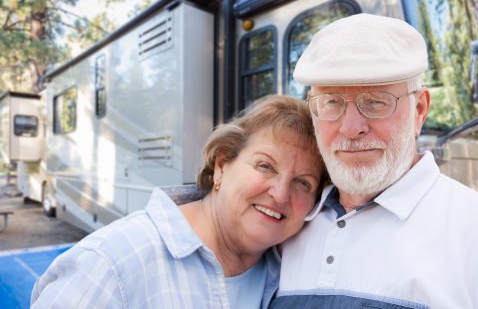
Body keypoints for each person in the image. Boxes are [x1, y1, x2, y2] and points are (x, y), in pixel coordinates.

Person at [30, 95, 326, 308]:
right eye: (265, 166)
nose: (281, 193)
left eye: (303, 182)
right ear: (222, 165)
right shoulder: (111, 265)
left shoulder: (288, 272)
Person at [270, 13, 478, 309]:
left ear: (419, 110)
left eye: (376, 101)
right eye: (331, 103)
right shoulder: (285, 221)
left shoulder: (469, 228)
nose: (352, 128)